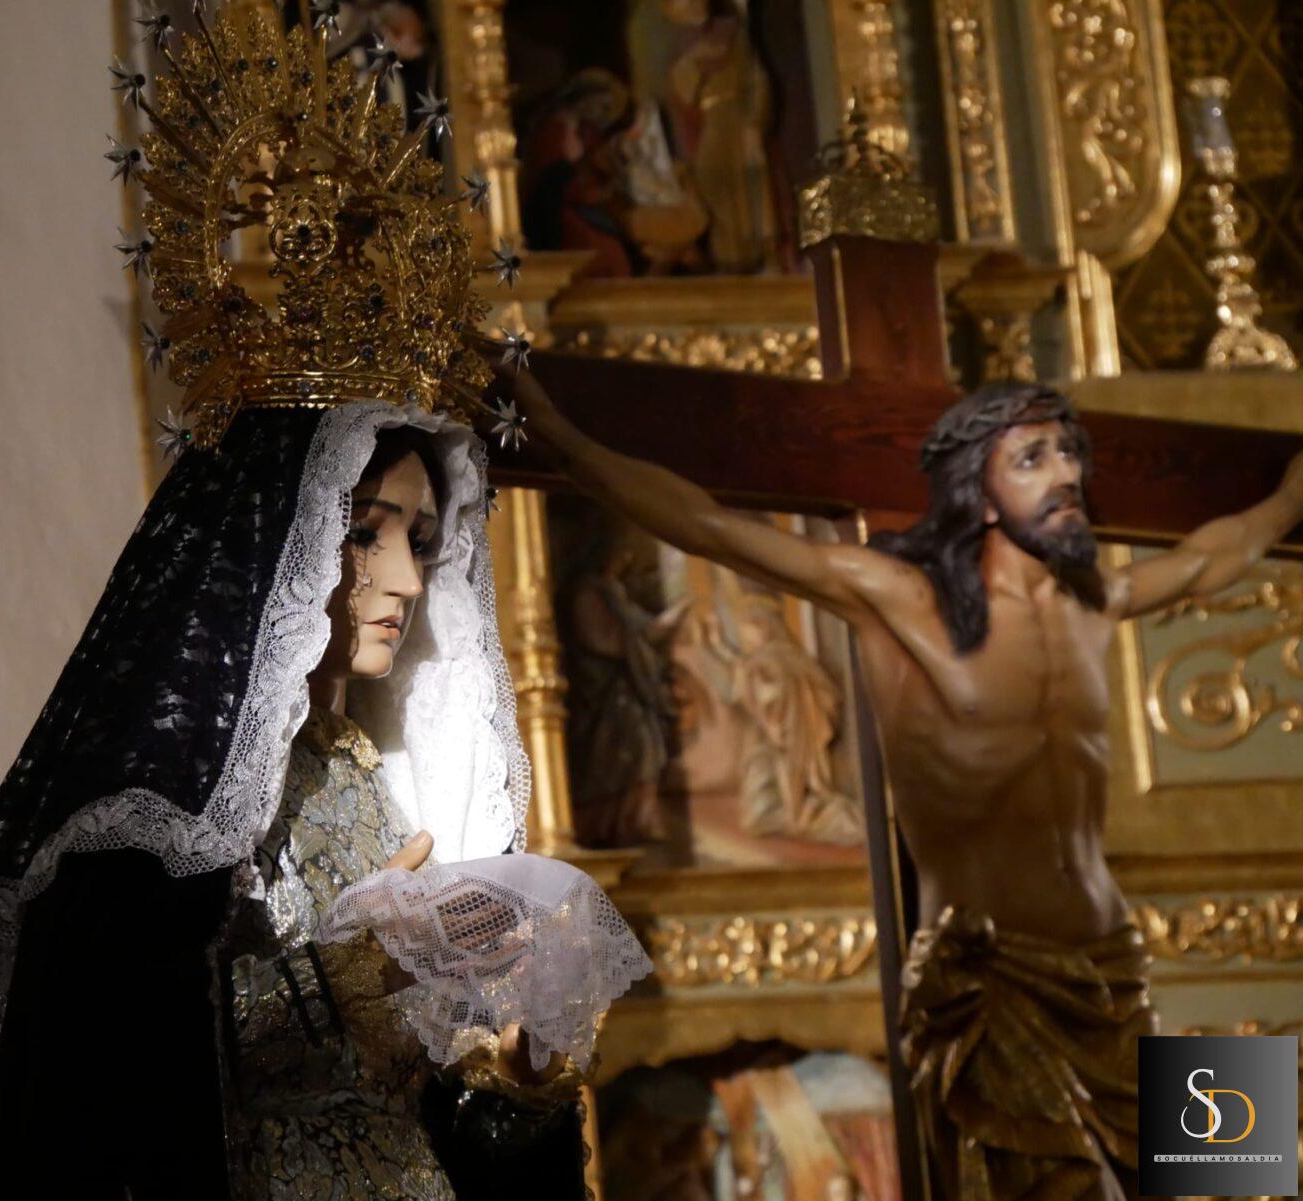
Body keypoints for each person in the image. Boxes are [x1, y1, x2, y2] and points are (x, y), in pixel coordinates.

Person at [488, 362, 1303, 1201]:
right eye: (1032, 458)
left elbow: (1217, 554)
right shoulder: (901, 599)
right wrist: (559, 433)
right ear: (982, 494)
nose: (1065, 473)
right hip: (994, 979)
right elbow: (708, 528)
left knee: (1235, 1172)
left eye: (1069, 453)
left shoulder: (1095, 600)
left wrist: (1289, 496)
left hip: (1117, 963)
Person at [0, 410, 589, 1199]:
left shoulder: (378, 777)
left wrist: (518, 1078)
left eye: (419, 542)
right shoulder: (167, 809)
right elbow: (116, 1052)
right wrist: (347, 974)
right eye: (365, 533)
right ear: (280, 536)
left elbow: (419, 1108)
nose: (409, 581)